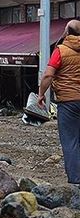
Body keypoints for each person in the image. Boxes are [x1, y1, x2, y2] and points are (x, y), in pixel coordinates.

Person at [37, 19, 80, 185]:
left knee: (70, 140)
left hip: (68, 101)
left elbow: (48, 75)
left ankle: (76, 180)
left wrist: (41, 94)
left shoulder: (61, 50)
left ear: (67, 32)